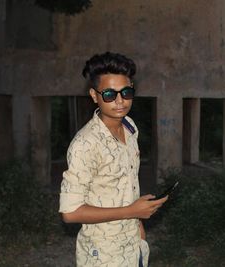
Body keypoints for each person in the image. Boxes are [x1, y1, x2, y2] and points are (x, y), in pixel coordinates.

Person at [59, 51, 168, 267]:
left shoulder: (129, 127)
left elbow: (128, 185)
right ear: (94, 95)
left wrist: (138, 227)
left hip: (133, 246)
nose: (120, 101)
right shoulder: (85, 144)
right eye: (109, 94)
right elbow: (70, 213)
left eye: (126, 92)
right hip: (104, 255)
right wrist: (132, 211)